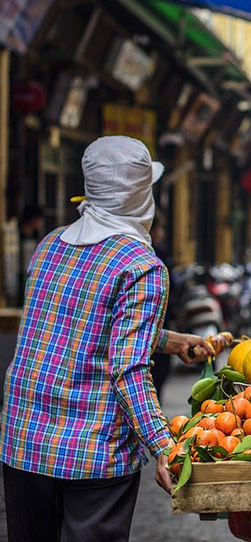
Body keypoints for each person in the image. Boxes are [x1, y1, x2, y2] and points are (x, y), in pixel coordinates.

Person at [0, 136, 215, 542]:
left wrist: (169, 341)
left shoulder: (50, 244)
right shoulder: (141, 265)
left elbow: (78, 328)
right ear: (142, 197)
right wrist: (164, 446)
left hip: (23, 440)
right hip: (92, 453)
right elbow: (127, 367)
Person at [150, 209, 174, 398]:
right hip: (158, 323)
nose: (162, 233)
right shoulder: (150, 260)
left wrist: (179, 342)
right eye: (161, 228)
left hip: (158, 330)